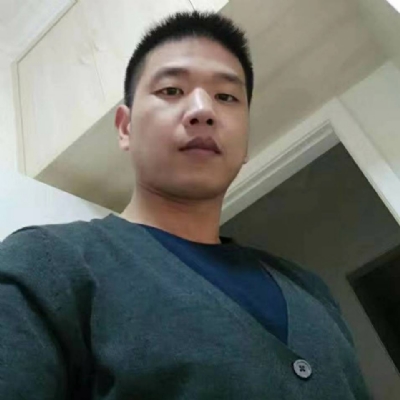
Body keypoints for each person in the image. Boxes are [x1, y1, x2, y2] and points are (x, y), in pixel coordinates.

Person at [0, 11, 371, 400]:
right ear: (125, 128)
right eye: (171, 90)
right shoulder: (46, 265)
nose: (202, 110)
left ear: (245, 139)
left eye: (226, 97)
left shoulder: (309, 290)